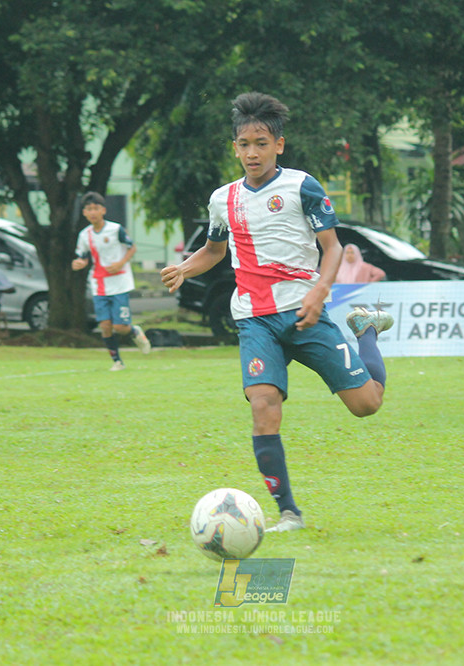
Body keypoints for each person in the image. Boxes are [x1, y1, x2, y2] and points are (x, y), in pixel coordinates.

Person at [160, 92, 392, 533]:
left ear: (278, 145)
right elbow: (213, 250)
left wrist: (320, 291)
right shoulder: (222, 199)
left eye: (261, 143)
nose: (252, 152)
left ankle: (366, 331)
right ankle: (288, 512)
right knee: (263, 404)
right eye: (244, 144)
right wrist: (185, 269)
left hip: (304, 313)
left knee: (366, 405)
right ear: (234, 148)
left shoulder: (303, 187)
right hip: (253, 318)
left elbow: (333, 248)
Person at [71, 191, 151, 371]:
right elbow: (82, 256)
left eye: (96, 208)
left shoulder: (116, 230)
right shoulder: (85, 235)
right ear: (84, 212)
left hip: (119, 282)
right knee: (105, 326)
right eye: (89, 209)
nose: (92, 212)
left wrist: (120, 263)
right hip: (99, 284)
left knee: (120, 327)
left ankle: (134, 331)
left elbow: (132, 248)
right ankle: (117, 361)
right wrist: (79, 263)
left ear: (103, 210)